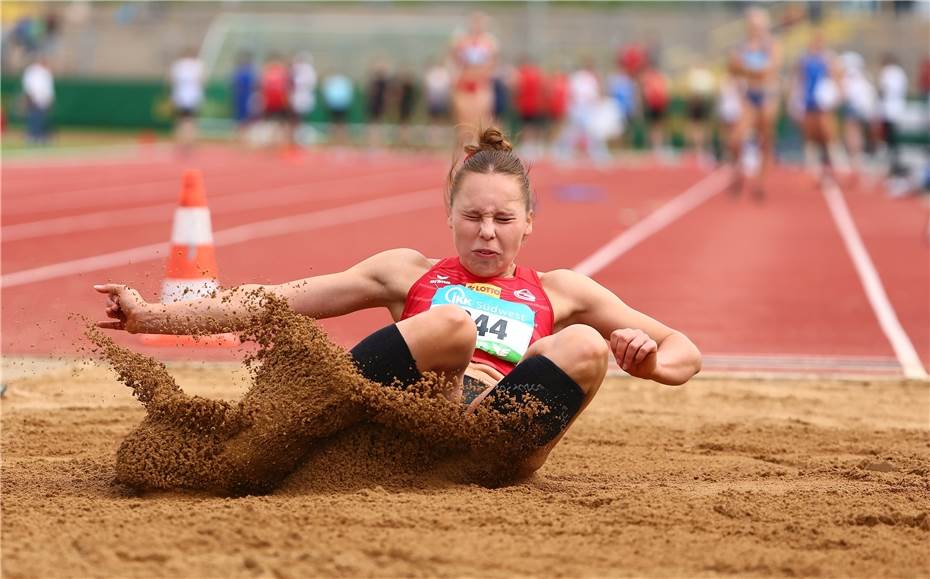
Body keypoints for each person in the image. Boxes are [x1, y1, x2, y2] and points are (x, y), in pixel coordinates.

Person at [94, 127, 702, 478]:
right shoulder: (406, 271)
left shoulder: (562, 289)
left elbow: (686, 352)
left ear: (528, 225)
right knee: (451, 327)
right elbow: (278, 300)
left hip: (493, 444)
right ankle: (290, 435)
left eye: (502, 218)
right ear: (450, 219)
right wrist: (152, 315)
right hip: (404, 427)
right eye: (473, 217)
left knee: (584, 344)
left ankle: (476, 463)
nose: (486, 232)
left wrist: (649, 363)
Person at [727, 7, 782, 200]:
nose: (755, 28)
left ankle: (760, 183)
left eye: (758, 25)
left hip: (768, 96)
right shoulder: (743, 46)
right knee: (735, 139)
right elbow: (732, 69)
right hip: (749, 96)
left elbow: (766, 71)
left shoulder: (770, 45)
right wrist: (749, 71)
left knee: (766, 140)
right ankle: (738, 171)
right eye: (752, 25)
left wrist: (744, 69)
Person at [794, 29, 841, 186]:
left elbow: (837, 80)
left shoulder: (828, 59)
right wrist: (797, 102)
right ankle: (814, 172)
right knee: (810, 139)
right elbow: (800, 80)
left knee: (827, 138)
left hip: (823, 106)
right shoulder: (805, 60)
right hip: (809, 104)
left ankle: (833, 170)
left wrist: (834, 98)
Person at [450, 11, 498, 144]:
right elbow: (454, 60)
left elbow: (492, 64)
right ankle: (464, 146)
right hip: (465, 83)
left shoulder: (489, 42)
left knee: (481, 118)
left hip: (480, 83)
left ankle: (478, 146)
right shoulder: (461, 41)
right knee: (464, 120)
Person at [839, 51, 877, 186]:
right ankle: (856, 166)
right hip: (859, 112)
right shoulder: (862, 78)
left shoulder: (851, 78)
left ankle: (856, 168)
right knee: (855, 140)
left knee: (853, 140)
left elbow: (845, 95)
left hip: (854, 111)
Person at [169, 48, 204, 152]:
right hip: (193, 97)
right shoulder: (197, 65)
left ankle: (181, 142)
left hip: (181, 97)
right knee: (191, 120)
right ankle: (190, 141)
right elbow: (202, 80)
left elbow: (172, 80)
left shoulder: (178, 65)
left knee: (181, 120)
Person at [21, 53, 54, 144]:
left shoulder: (46, 72)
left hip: (43, 99)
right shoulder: (32, 71)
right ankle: (32, 135)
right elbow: (28, 84)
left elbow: (48, 87)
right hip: (34, 98)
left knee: (41, 118)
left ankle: (40, 135)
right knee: (33, 117)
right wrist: (29, 97)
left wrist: (50, 98)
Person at [289, 52, 317, 148]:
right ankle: (296, 139)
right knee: (296, 119)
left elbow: (309, 84)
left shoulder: (307, 70)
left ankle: (302, 138)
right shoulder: (296, 69)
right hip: (298, 97)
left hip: (303, 97)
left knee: (302, 119)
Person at [230, 51, 257, 141]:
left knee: (243, 118)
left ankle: (241, 137)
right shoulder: (245, 72)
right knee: (242, 118)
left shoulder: (243, 72)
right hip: (242, 98)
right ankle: (241, 137)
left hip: (244, 98)